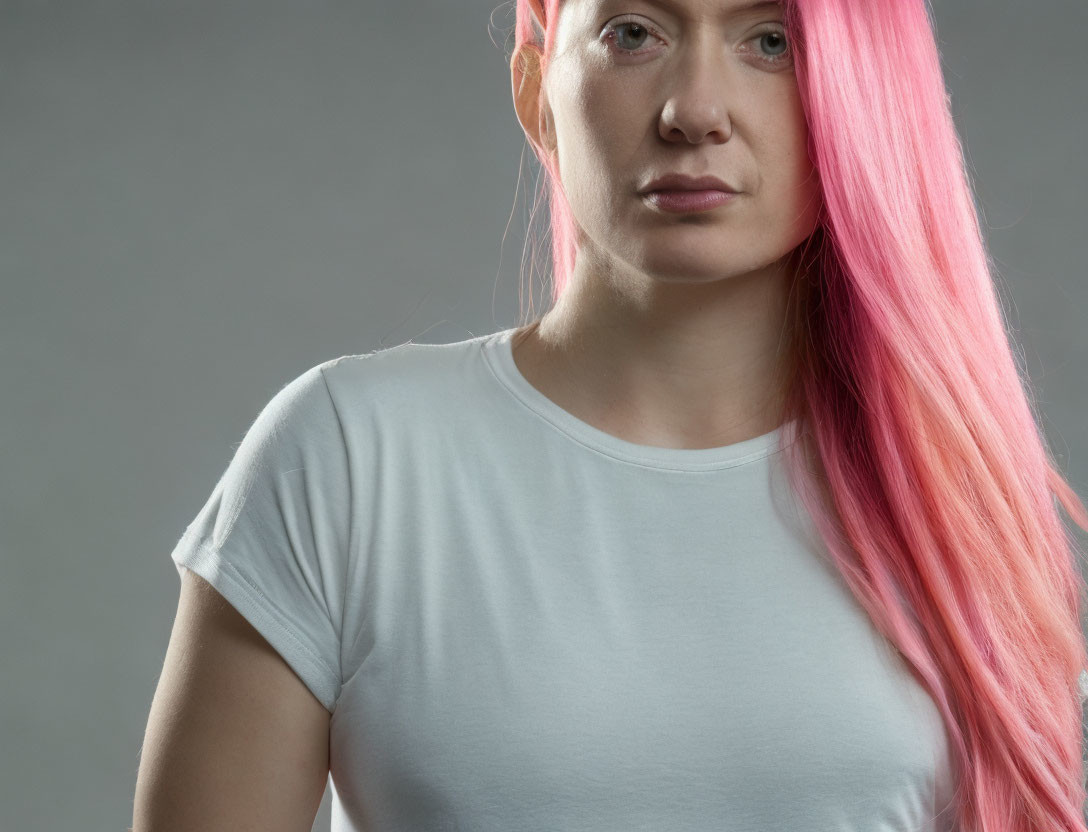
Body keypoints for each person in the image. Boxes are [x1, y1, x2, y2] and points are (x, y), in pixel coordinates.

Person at [131, 1, 1088, 830]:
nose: (695, 111)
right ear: (533, 85)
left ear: (869, 88)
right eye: (633, 33)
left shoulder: (959, 507)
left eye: (772, 41)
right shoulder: (350, 457)